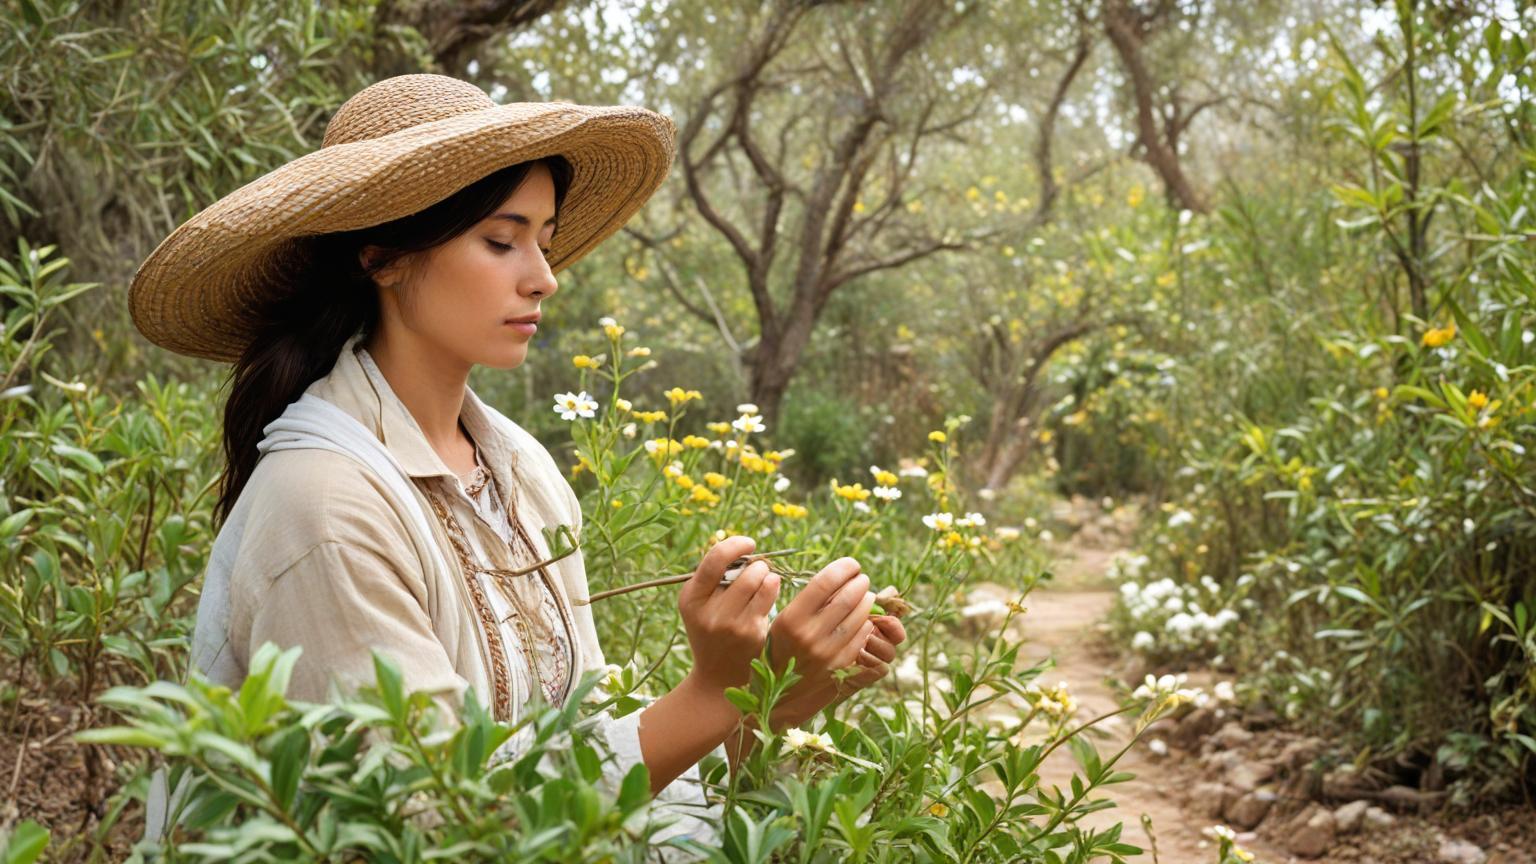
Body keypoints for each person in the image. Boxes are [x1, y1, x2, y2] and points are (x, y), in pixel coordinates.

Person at [127, 73, 906, 851]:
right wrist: (715, 690)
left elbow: (601, 769)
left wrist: (779, 694)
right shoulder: (323, 506)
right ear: (384, 259)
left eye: (544, 238)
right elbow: (438, 824)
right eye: (501, 241)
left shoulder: (523, 471)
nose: (544, 276)